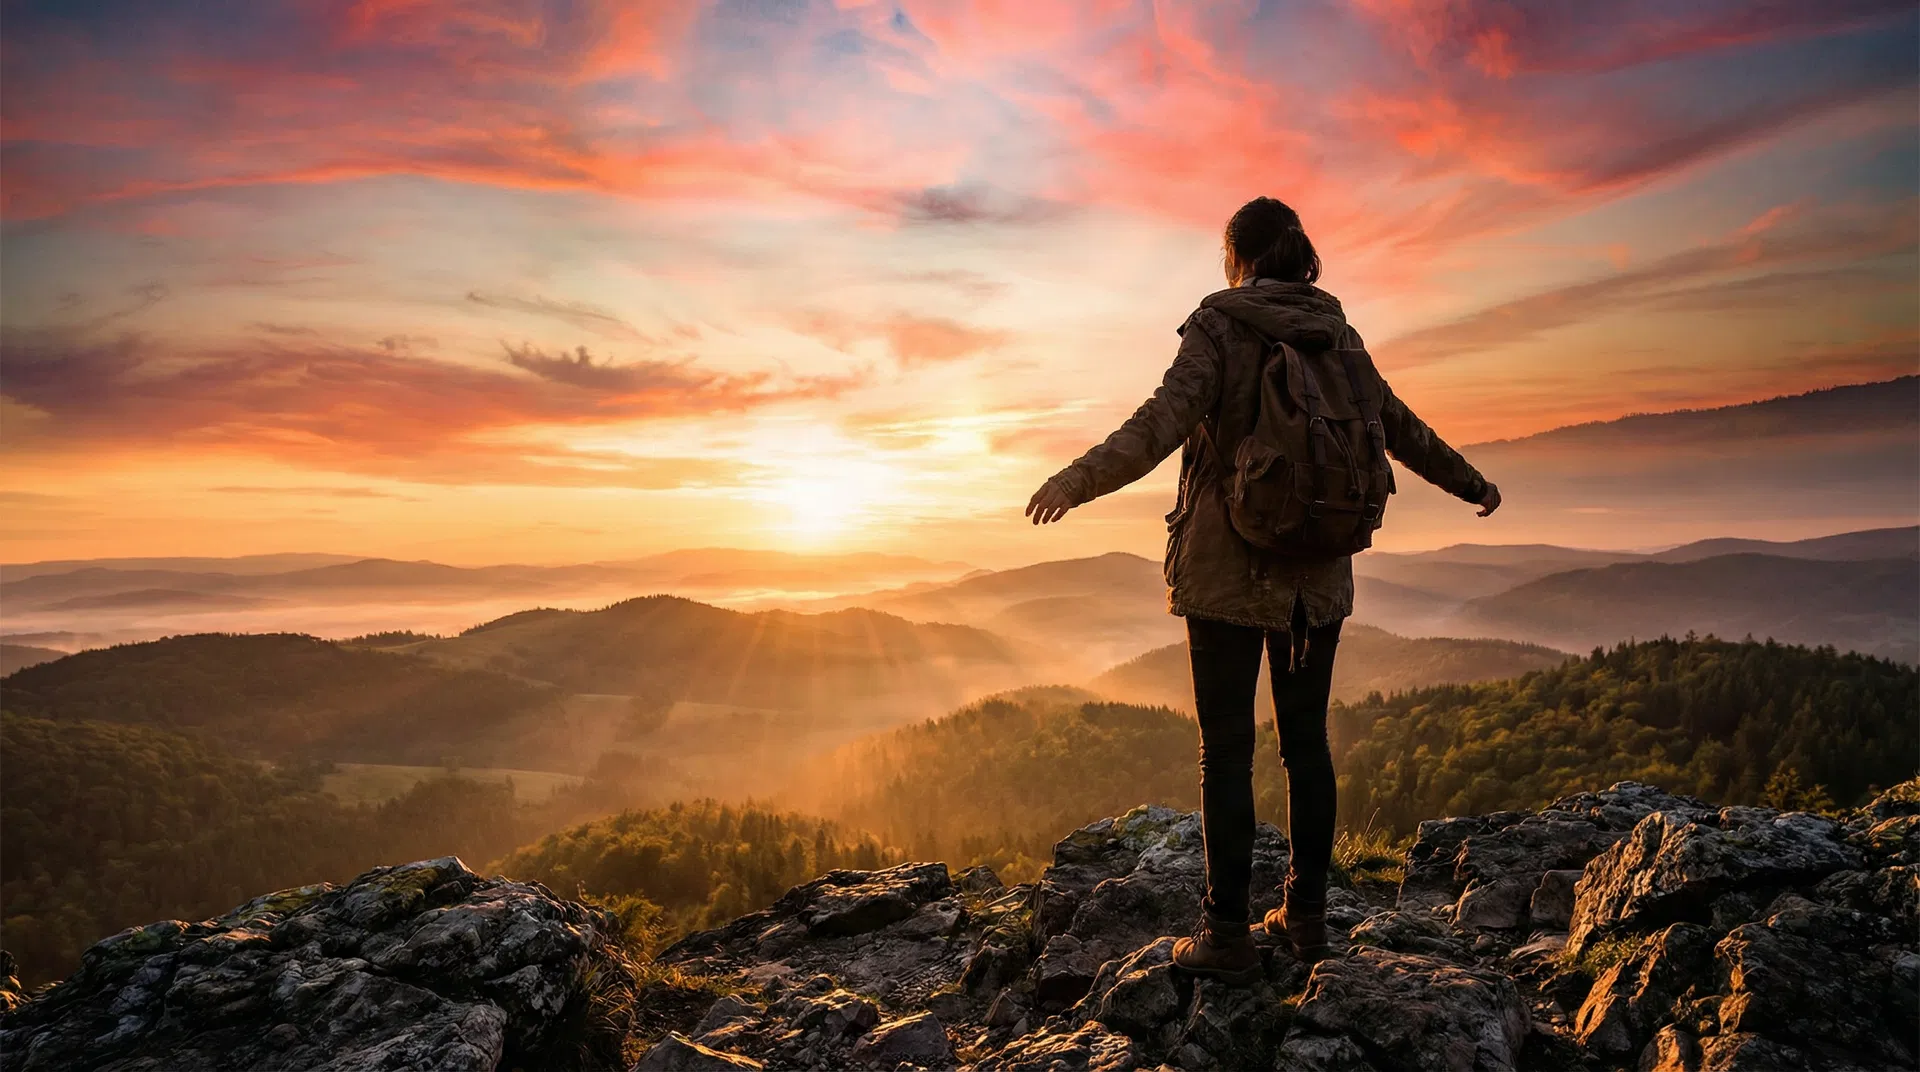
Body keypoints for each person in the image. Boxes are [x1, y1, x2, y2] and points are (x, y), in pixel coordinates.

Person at [1023, 196, 1500, 983]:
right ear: (1301, 255)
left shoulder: (1220, 326)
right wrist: (1471, 483)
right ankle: (1307, 916)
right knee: (1307, 745)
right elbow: (1400, 426)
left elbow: (1159, 423)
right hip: (1319, 574)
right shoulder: (1337, 334)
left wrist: (1077, 481)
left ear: (1237, 258)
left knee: (1227, 755)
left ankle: (1228, 935)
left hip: (1227, 573)